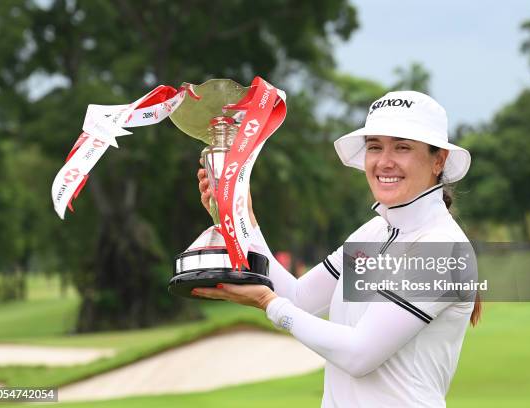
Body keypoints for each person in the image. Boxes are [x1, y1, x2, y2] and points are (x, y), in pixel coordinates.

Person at [194, 90, 481, 407]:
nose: (384, 161)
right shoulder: (374, 231)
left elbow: (360, 354)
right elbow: (300, 299)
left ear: (438, 159)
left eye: (402, 147)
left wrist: (268, 303)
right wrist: (241, 217)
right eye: (375, 147)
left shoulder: (442, 247)